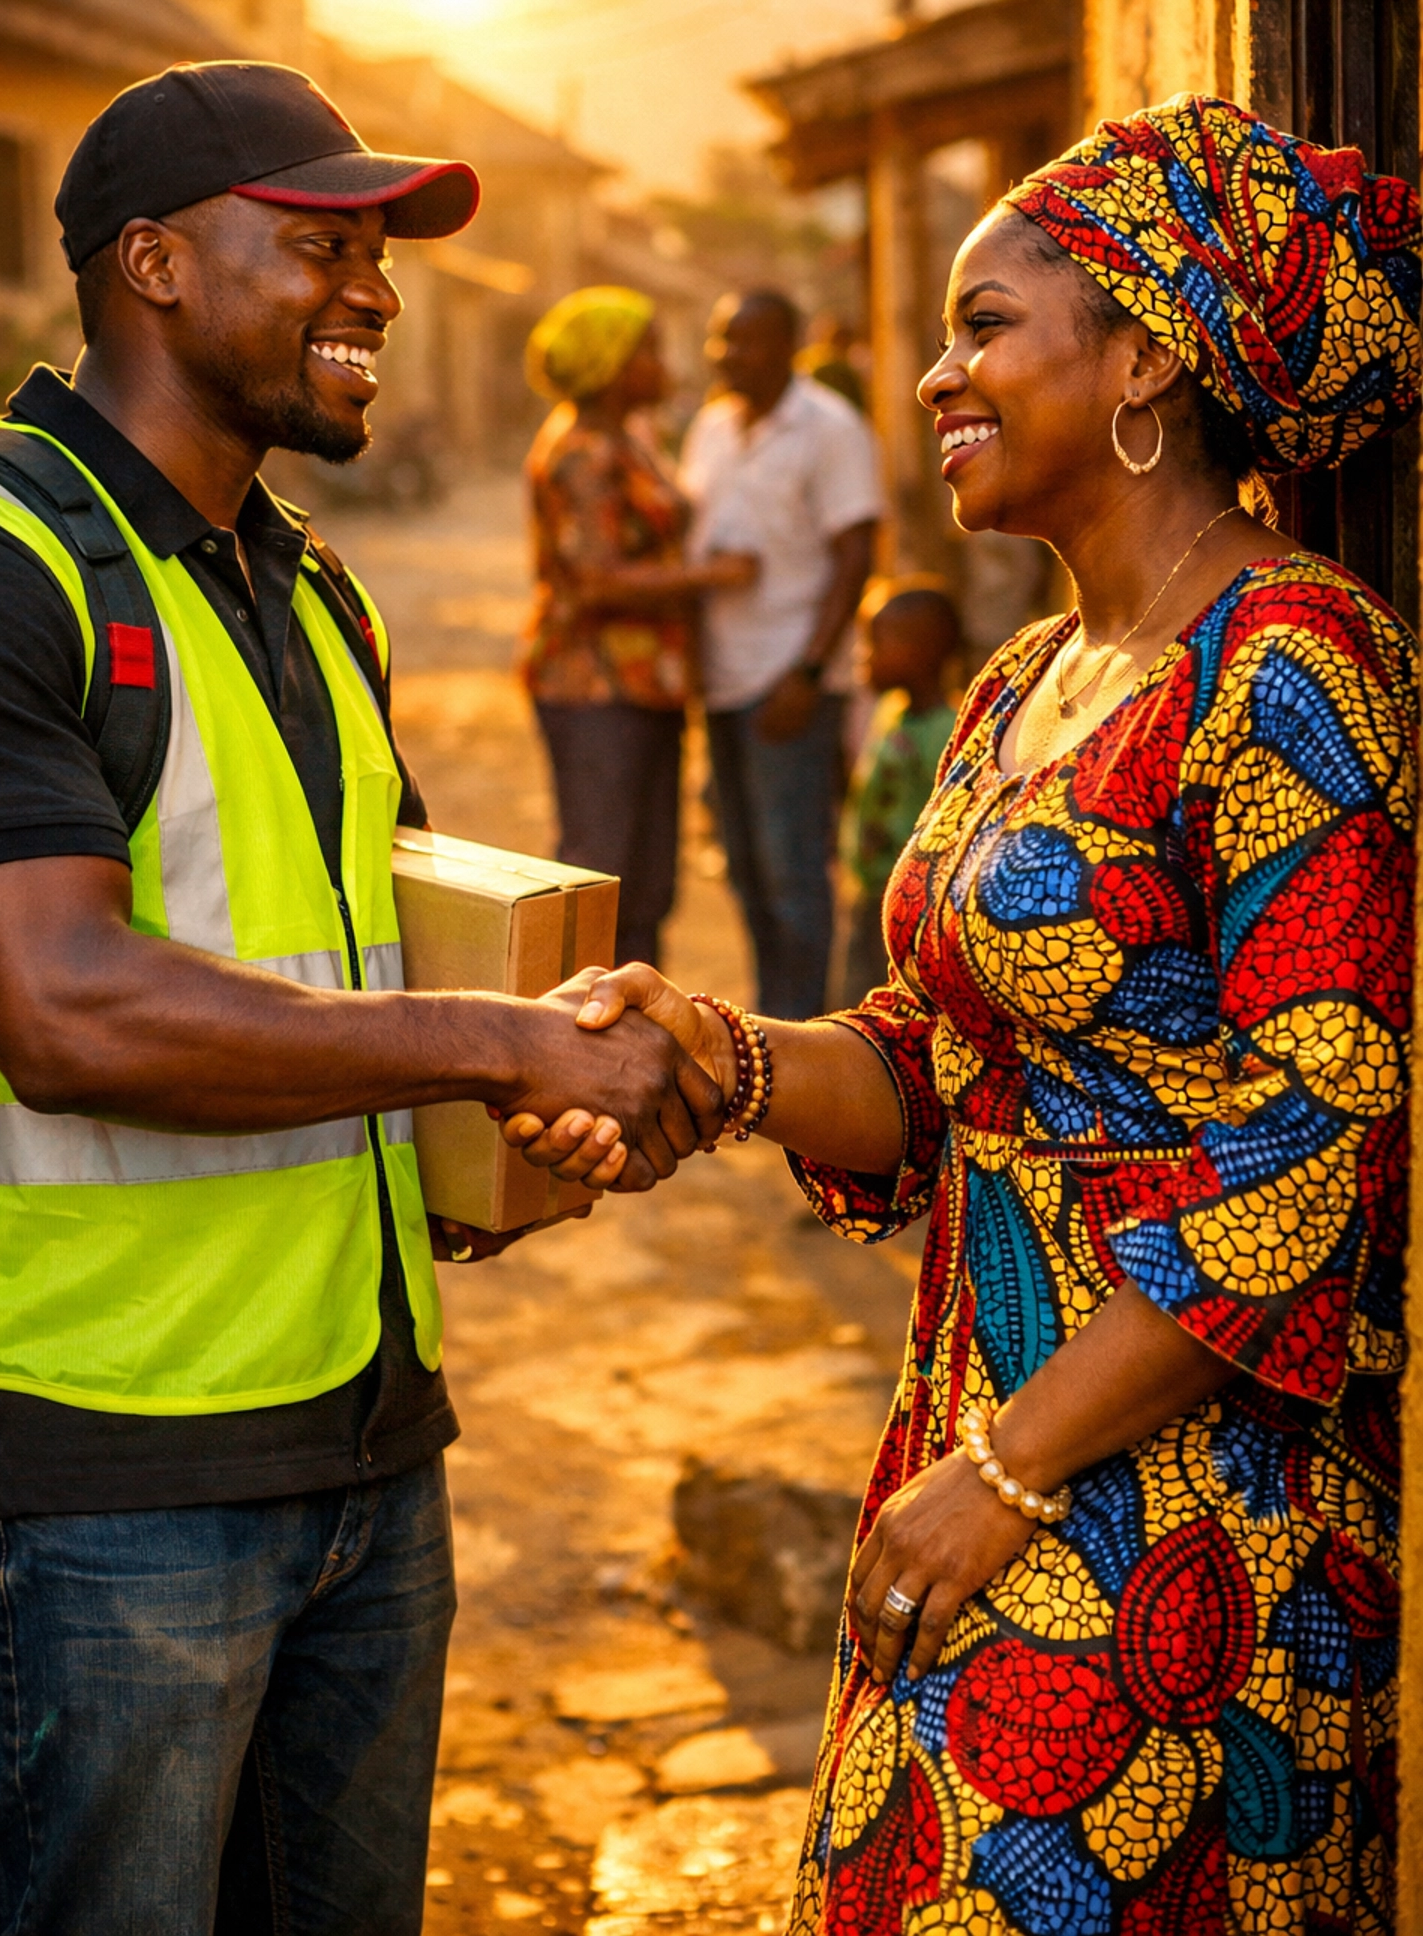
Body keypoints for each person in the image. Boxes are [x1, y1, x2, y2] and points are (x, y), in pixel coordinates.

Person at [512, 98, 1419, 1933]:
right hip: (979, 1431)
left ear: (1147, 346)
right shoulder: (1025, 681)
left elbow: (1317, 1143)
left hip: (1183, 1507)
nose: (937, 373)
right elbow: (934, 1064)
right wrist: (722, 1050)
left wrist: (1008, 1468)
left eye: (983, 322)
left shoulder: (1298, 663)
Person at [0, 61, 720, 1936]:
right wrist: (498, 1041)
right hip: (91, 1473)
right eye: (319, 247)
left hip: (363, 1437)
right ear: (155, 263)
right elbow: (69, 1008)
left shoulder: (305, 579)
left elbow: (356, 959)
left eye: (380, 256)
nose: (375, 298)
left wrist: (514, 1106)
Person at [522, 286, 756, 968]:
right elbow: (594, 581)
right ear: (611, 364)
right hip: (593, 683)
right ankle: (574, 1034)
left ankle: (630, 1026)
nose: (662, 363)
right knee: (603, 876)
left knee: (647, 884)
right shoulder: (582, 452)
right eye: (648, 350)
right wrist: (713, 576)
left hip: (641, 684)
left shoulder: (625, 440)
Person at [681, 288, 884, 1018]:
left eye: (744, 341)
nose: (725, 355)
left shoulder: (831, 429)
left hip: (790, 684)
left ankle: (805, 1040)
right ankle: (772, 1025)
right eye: (718, 339)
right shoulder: (708, 427)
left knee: (794, 876)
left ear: (789, 346)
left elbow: (855, 554)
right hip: (723, 684)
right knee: (744, 871)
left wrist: (807, 672)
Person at [833, 578, 959, 1006]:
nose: (863, 656)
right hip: (868, 890)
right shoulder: (890, 713)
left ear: (923, 653)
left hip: (912, 902)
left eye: (874, 644)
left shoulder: (946, 731)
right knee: (853, 997)